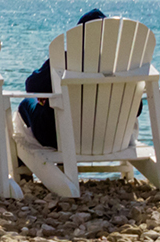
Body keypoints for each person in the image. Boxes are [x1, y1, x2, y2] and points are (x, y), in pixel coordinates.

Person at [15, 8, 136, 148]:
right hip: (110, 138)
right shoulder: (120, 66)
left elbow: (31, 86)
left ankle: (21, 161)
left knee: (26, 102)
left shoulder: (64, 60)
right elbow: (137, 109)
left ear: (78, 37)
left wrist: (49, 93)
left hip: (56, 136)